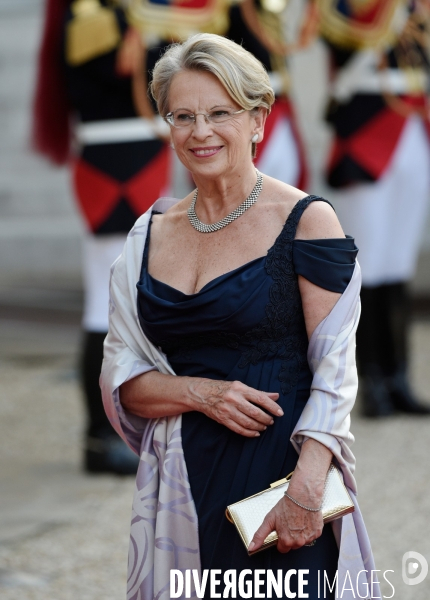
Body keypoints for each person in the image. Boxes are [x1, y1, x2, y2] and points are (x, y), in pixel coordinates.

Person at [101, 33, 379, 599]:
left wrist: (307, 489)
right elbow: (122, 381)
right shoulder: (145, 238)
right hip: (182, 482)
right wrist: (202, 393)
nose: (200, 131)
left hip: (281, 482)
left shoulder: (308, 222)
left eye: (219, 113)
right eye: (183, 116)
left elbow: (336, 374)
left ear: (258, 119)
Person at [32, 0, 171, 473]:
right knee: (105, 303)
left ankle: (125, 428)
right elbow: (118, 72)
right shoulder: (88, 13)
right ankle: (99, 435)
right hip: (112, 163)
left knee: (135, 300)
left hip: (142, 154)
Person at [320, 0, 430, 417]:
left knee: (399, 265)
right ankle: (371, 384)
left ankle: (399, 377)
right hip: (367, 134)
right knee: (364, 267)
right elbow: (339, 31)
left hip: (412, 127)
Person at [226, 0, 319, 188]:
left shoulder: (267, 11)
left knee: (285, 181)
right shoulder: (231, 10)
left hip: (277, 106)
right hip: (244, 107)